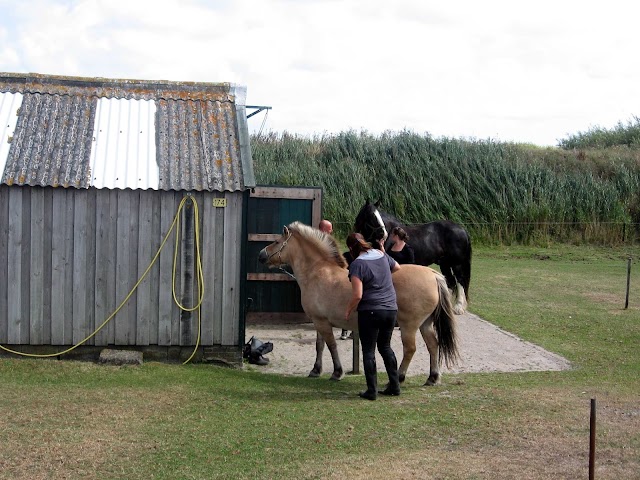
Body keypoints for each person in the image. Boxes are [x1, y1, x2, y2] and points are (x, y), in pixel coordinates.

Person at [345, 232, 401, 400]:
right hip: (391, 309)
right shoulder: (382, 255)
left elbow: (357, 295)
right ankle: (395, 385)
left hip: (370, 310)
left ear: (350, 248)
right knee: (385, 347)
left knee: (368, 351)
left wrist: (348, 310)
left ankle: (371, 391)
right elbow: (397, 267)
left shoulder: (357, 264)